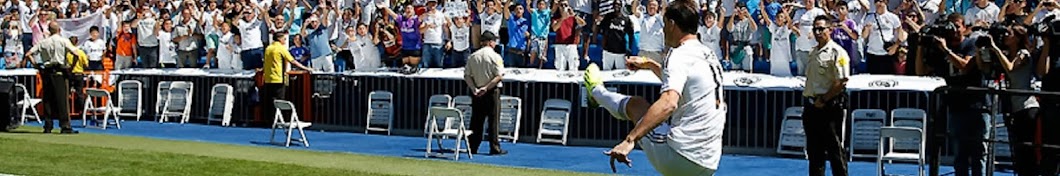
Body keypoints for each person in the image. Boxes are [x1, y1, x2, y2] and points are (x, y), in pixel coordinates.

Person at [594, 0, 725, 175]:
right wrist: (649, 64)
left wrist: (630, 140)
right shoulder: (708, 54)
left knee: (637, 105)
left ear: (672, 24)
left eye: (664, 24)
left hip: (682, 153)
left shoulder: (678, 54)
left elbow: (669, 103)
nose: (663, 30)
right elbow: (682, 82)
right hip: (711, 158)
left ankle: (595, 91)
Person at [914, 14, 989, 176]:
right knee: (960, 153)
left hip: (977, 105)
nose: (954, 30)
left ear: (964, 27)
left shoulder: (971, 43)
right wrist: (921, 45)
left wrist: (945, 50)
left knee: (979, 152)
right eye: (951, 26)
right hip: (956, 106)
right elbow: (921, 71)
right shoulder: (940, 47)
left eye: (957, 26)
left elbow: (965, 66)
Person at [802, 15, 851, 176]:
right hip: (811, 106)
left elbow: (842, 80)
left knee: (835, 150)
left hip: (829, 107)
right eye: (815, 28)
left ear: (830, 29)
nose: (817, 32)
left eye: (821, 28)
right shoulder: (813, 52)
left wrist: (824, 99)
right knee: (814, 152)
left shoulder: (837, 52)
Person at [24, 22, 80, 134]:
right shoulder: (63, 41)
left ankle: (48, 126)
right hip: (59, 71)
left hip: (47, 71)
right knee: (62, 100)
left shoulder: (44, 42)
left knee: (48, 100)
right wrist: (71, 67)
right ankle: (65, 126)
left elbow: (28, 54)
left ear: (49, 30)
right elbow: (76, 54)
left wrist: (36, 65)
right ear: (59, 30)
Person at [463, 31, 507, 156]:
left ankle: (473, 146)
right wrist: (486, 88)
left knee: (476, 120)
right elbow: (499, 76)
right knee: (493, 120)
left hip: (476, 91)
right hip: (491, 92)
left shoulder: (473, 56)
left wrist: (474, 88)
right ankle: (494, 147)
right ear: (490, 42)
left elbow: (467, 75)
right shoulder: (495, 56)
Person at [261, 31, 313, 129]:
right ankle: (279, 121)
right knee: (279, 100)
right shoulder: (281, 48)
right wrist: (306, 68)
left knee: (270, 100)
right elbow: (292, 60)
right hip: (278, 78)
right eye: (284, 39)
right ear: (280, 39)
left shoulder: (268, 48)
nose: (285, 41)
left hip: (269, 78)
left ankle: (271, 121)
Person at [863, 0, 901, 75]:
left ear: (886, 2)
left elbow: (901, 34)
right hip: (873, 53)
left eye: (880, 1)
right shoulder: (869, 17)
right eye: (876, 2)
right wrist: (867, 29)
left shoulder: (893, 17)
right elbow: (864, 36)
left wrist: (895, 46)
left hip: (887, 54)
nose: (878, 4)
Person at [598, 0, 635, 71]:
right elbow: (602, 30)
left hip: (620, 51)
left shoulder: (626, 19)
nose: (616, 6)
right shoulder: (608, 17)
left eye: (618, 4)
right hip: (608, 51)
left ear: (621, 6)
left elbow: (631, 34)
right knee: (606, 72)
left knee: (620, 73)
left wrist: (629, 48)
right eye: (615, 4)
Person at [793, 0, 826, 75]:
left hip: (815, 48)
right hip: (801, 47)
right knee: (801, 73)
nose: (808, 1)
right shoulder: (799, 12)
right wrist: (796, 29)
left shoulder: (819, 12)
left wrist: (814, 32)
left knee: (815, 73)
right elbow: (794, 24)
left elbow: (823, 26)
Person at [552, 4, 587, 71]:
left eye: (566, 5)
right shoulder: (556, 18)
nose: (564, 7)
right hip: (560, 45)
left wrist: (574, 15)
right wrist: (562, 18)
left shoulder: (573, 17)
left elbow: (583, 23)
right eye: (562, 5)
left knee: (573, 66)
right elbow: (554, 28)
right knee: (560, 67)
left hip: (571, 44)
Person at [763, 7, 796, 76]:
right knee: (774, 74)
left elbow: (790, 22)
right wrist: (762, 9)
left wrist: (786, 13)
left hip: (785, 56)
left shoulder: (786, 28)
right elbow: (767, 20)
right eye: (778, 17)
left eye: (781, 17)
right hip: (775, 56)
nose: (779, 18)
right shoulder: (773, 27)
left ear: (784, 19)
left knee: (786, 74)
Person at [726, 2, 758, 72]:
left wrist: (748, 15)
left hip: (746, 47)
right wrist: (733, 15)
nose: (740, 11)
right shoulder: (734, 21)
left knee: (747, 70)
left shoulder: (748, 21)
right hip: (735, 47)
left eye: (742, 9)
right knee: (735, 70)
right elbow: (729, 29)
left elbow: (754, 28)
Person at [237, 3, 268, 70]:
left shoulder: (256, 22)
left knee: (259, 69)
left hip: (257, 49)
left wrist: (256, 5)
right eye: (246, 13)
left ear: (253, 14)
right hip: (246, 50)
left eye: (249, 13)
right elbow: (234, 22)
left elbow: (263, 12)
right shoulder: (242, 23)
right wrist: (242, 12)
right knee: (247, 70)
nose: (248, 15)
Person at [421, 0, 447, 68]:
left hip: (439, 44)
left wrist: (448, 40)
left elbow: (445, 28)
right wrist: (427, 26)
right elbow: (420, 31)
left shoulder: (441, 15)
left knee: (439, 67)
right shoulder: (424, 16)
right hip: (427, 44)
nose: (432, 4)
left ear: (436, 4)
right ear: (427, 4)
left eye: (434, 3)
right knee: (426, 66)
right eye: (430, 3)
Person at [504, 2, 530, 68]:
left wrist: (528, 35)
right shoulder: (511, 19)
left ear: (523, 11)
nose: (518, 10)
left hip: (522, 52)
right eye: (517, 9)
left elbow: (530, 36)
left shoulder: (526, 22)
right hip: (512, 51)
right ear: (514, 11)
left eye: (520, 9)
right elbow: (505, 9)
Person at [528, 0, 552, 69]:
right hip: (535, 35)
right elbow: (529, 9)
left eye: (542, 4)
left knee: (542, 55)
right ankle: (531, 65)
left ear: (545, 6)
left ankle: (540, 68)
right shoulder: (535, 12)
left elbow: (553, 10)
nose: (541, 6)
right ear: (537, 5)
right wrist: (528, 4)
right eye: (539, 4)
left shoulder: (548, 12)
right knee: (533, 50)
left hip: (543, 36)